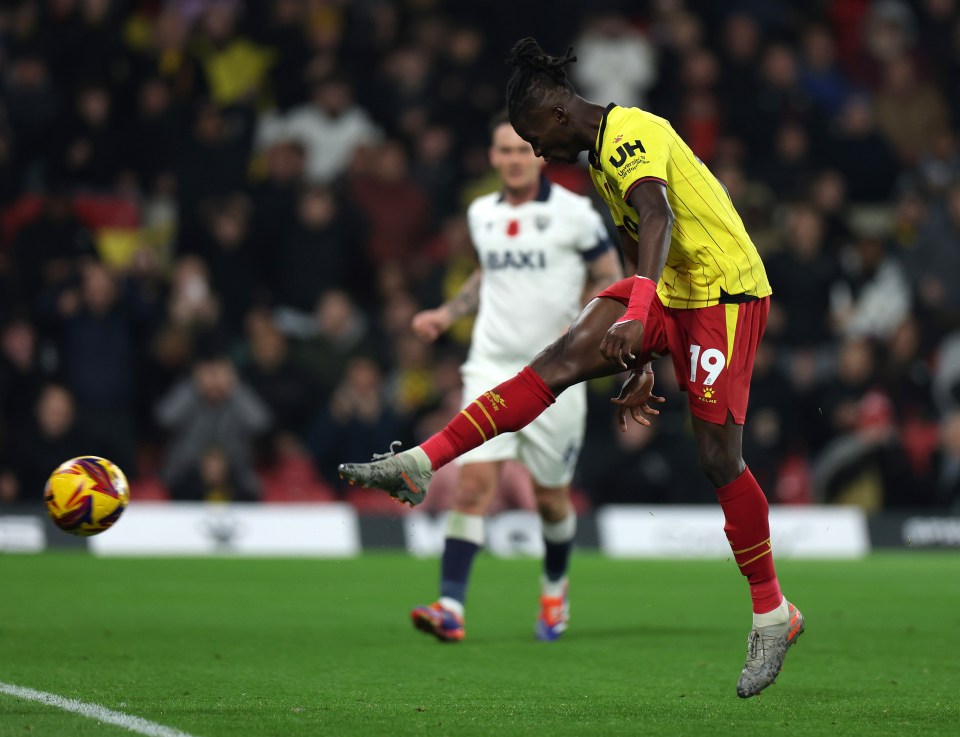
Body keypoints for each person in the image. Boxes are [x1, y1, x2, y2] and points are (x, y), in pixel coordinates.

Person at [339, 38, 803, 698]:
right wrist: (640, 351)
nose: (534, 153)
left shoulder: (633, 131)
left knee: (718, 458)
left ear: (557, 113)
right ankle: (423, 460)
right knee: (557, 360)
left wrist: (639, 313)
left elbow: (658, 213)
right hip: (667, 289)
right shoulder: (597, 160)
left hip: (723, 292)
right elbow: (632, 237)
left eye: (532, 137)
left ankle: (772, 614)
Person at [404, 113, 622, 643]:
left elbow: (612, 277)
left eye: (523, 151)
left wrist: (585, 322)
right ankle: (450, 606)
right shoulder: (481, 213)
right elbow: (488, 275)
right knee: (473, 485)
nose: (514, 159)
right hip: (491, 365)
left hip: (555, 373)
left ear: (540, 156)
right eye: (504, 151)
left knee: (551, 499)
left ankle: (553, 592)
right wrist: (447, 312)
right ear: (492, 157)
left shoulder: (575, 215)